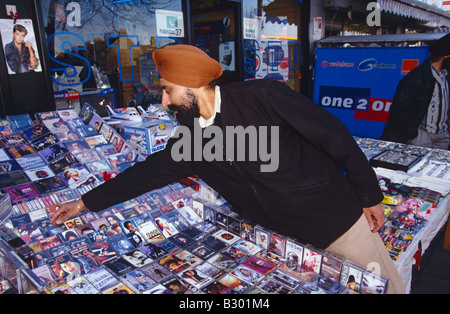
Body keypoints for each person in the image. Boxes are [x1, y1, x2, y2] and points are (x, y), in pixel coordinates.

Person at [51, 44, 404, 293]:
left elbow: (334, 136)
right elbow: (147, 173)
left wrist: (369, 194)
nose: (164, 101)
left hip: (336, 223)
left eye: (168, 91)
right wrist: (85, 203)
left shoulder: (262, 96)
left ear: (191, 85)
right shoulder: (191, 137)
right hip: (284, 243)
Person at [381, 33, 450, 149]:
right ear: (447, 55)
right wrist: (411, 133)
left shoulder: (446, 76)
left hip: (442, 136)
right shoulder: (416, 78)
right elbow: (399, 112)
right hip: (421, 136)